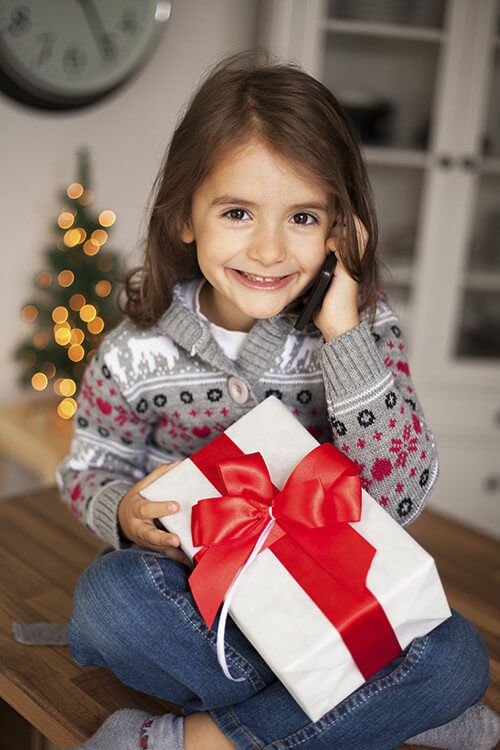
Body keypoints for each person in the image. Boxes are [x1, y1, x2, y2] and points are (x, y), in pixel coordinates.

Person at [56, 49, 499, 750]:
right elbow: (89, 467)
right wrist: (125, 509)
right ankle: (390, 717)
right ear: (184, 217)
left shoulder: (361, 331)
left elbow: (401, 496)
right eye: (237, 212)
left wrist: (344, 337)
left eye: (301, 217)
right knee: (110, 601)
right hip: (201, 607)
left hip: (332, 601)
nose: (267, 250)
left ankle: (199, 741)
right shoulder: (135, 352)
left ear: (340, 232)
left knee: (458, 658)